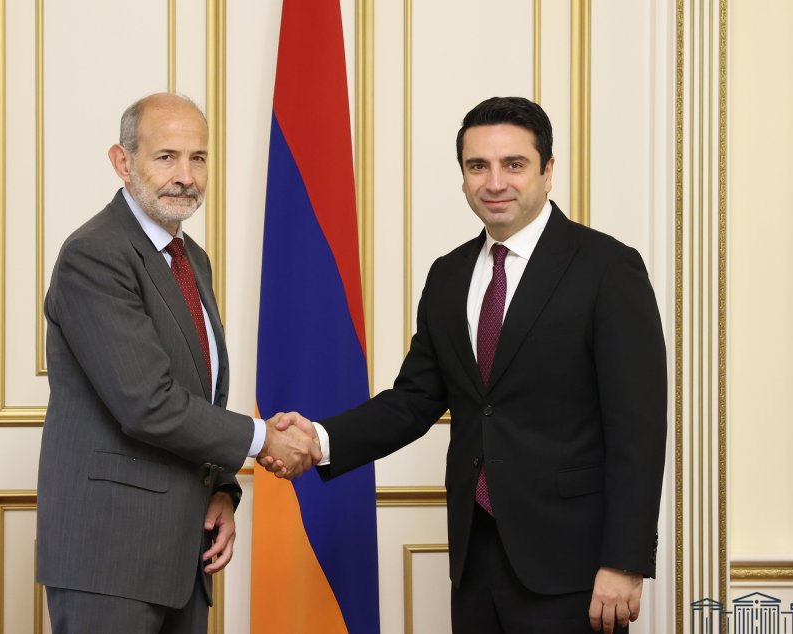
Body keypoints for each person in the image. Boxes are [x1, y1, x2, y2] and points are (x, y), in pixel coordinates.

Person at [264, 96, 667, 634]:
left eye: (513, 164)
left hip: (574, 567)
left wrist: (624, 561)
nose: (494, 182)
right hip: (474, 561)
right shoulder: (448, 276)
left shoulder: (608, 268)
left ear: (548, 170)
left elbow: (639, 429)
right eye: (478, 166)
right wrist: (318, 439)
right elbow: (414, 400)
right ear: (462, 177)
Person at [35, 92, 320, 634]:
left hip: (185, 550)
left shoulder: (191, 261)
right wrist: (265, 438)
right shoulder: (95, 254)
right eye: (166, 157)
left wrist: (222, 491)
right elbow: (147, 402)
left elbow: (197, 391)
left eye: (198, 158)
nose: (185, 176)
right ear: (123, 162)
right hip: (108, 557)